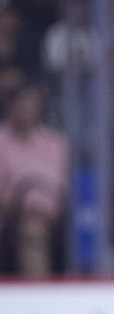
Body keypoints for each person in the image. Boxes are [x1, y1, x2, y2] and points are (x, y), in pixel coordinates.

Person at [0, 79, 68, 276]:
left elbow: (63, 189)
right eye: (19, 101)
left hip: (54, 221)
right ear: (9, 104)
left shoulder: (55, 143)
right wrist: (28, 205)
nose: (25, 107)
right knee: (32, 229)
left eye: (30, 101)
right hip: (11, 221)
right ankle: (38, 297)